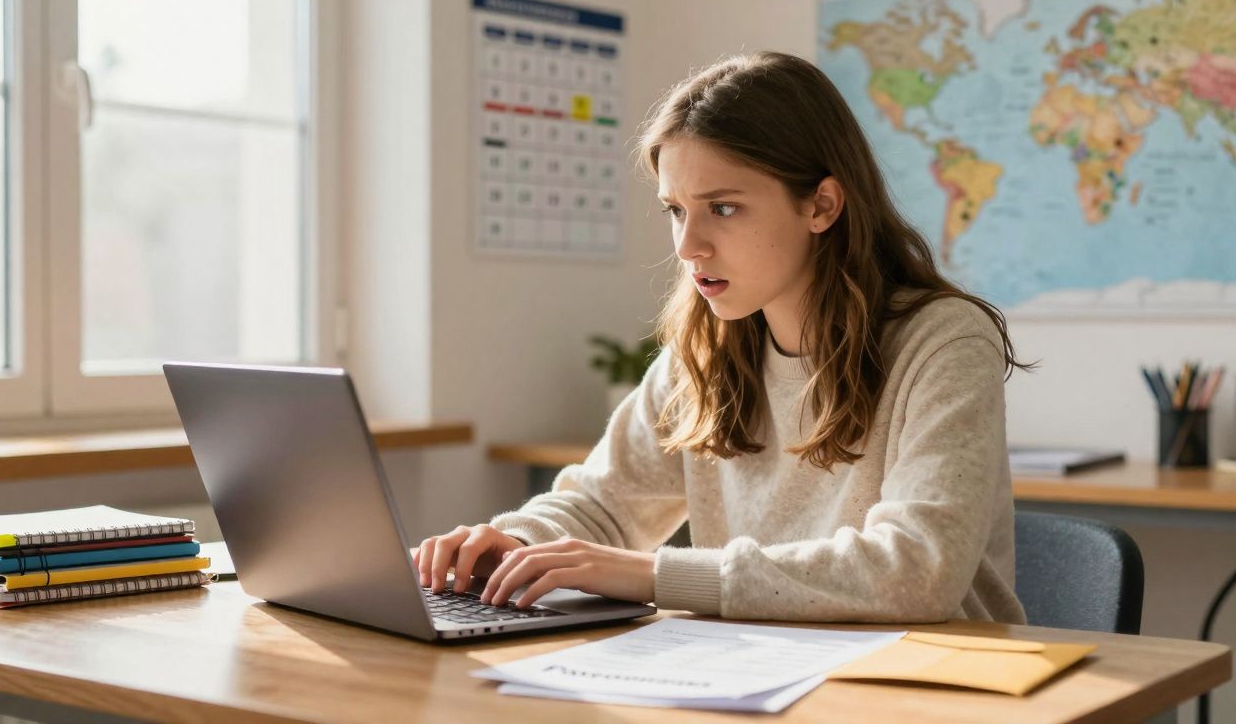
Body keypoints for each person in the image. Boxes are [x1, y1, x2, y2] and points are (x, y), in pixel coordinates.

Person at [413, 51, 1031, 623]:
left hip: (935, 683)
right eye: (675, 210)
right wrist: (516, 542)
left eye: (723, 208)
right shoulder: (706, 347)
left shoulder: (943, 342)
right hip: (763, 673)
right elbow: (605, 505)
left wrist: (654, 575)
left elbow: (917, 572)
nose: (688, 246)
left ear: (821, 205)